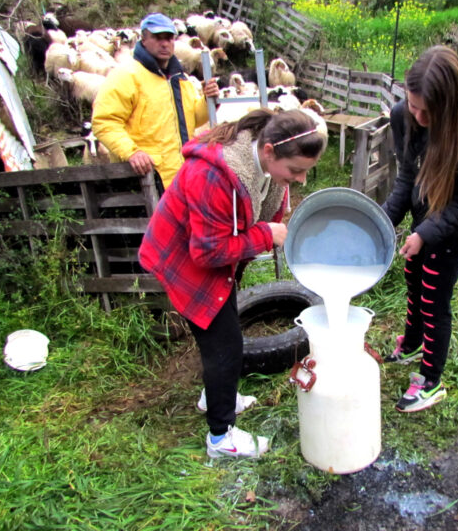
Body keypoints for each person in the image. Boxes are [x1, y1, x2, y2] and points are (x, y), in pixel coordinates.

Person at [138, 109, 327, 458]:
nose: (301, 180)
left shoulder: (261, 163)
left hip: (203, 253)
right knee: (224, 347)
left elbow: (245, 219)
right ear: (269, 151)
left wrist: (272, 212)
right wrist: (265, 235)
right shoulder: (214, 174)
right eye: (296, 171)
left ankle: (215, 395)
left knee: (223, 339)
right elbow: (208, 252)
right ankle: (220, 438)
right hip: (185, 258)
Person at [381, 45, 458, 413]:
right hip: (427, 209)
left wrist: (426, 234)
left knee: (434, 293)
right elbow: (407, 176)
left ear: (447, 105)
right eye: (411, 104)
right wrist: (383, 220)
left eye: (424, 111)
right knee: (414, 276)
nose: (415, 115)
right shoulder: (406, 115)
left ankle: (431, 381)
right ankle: (413, 342)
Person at [91, 12, 220, 189]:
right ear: (143, 39)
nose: (164, 43)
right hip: (146, 178)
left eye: (169, 38)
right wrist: (132, 152)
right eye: (157, 38)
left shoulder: (179, 78)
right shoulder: (126, 76)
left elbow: (193, 118)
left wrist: (208, 100)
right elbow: (104, 121)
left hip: (182, 176)